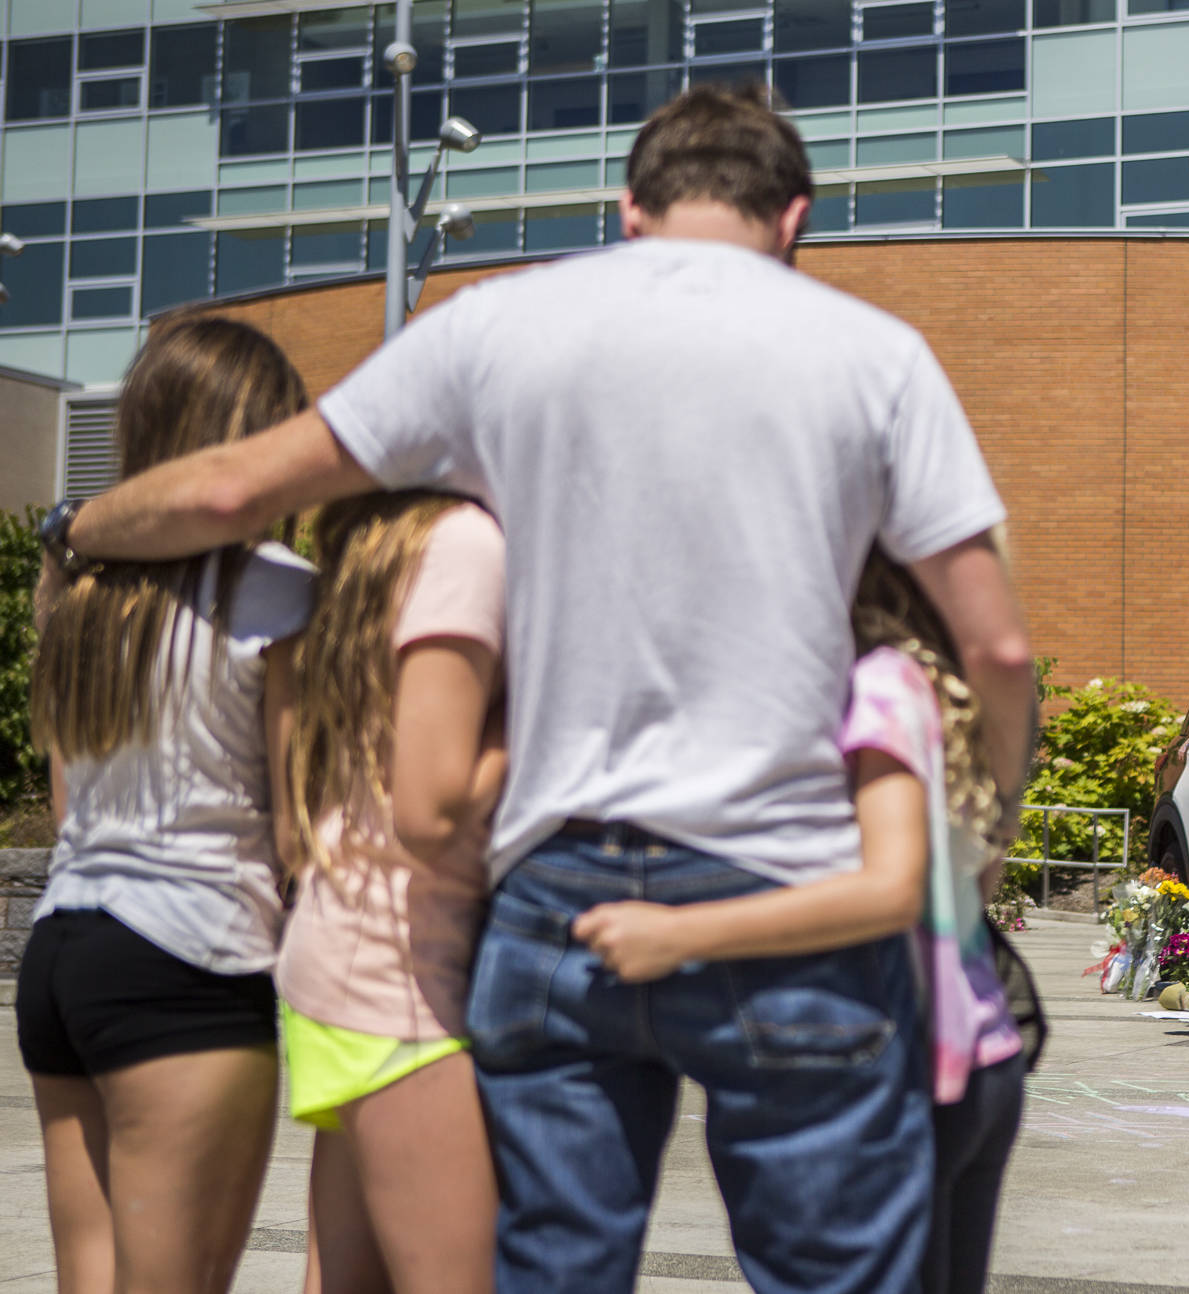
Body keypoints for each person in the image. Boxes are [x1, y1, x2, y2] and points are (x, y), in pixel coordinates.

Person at [44, 83, 1037, 1294]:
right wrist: (986, 829)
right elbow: (992, 649)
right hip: (784, 881)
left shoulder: (494, 328)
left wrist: (75, 525)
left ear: (628, 209)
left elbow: (226, 496)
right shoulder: (875, 355)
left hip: (555, 895)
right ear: (794, 219)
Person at [575, 547, 1028, 1293]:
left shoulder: (873, 689)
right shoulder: (934, 692)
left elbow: (892, 891)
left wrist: (676, 935)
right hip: (983, 1054)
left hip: (918, 1067)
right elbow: (975, 880)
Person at [17, 316, 314, 1294]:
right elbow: (294, 822)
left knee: (90, 1278)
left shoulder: (81, 589)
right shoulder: (276, 593)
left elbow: (65, 806)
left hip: (63, 949)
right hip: (187, 953)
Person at [273, 492, 506, 1294]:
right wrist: (535, 734)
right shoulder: (466, 544)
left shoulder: (380, 543)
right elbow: (431, 812)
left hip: (344, 953)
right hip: (400, 982)